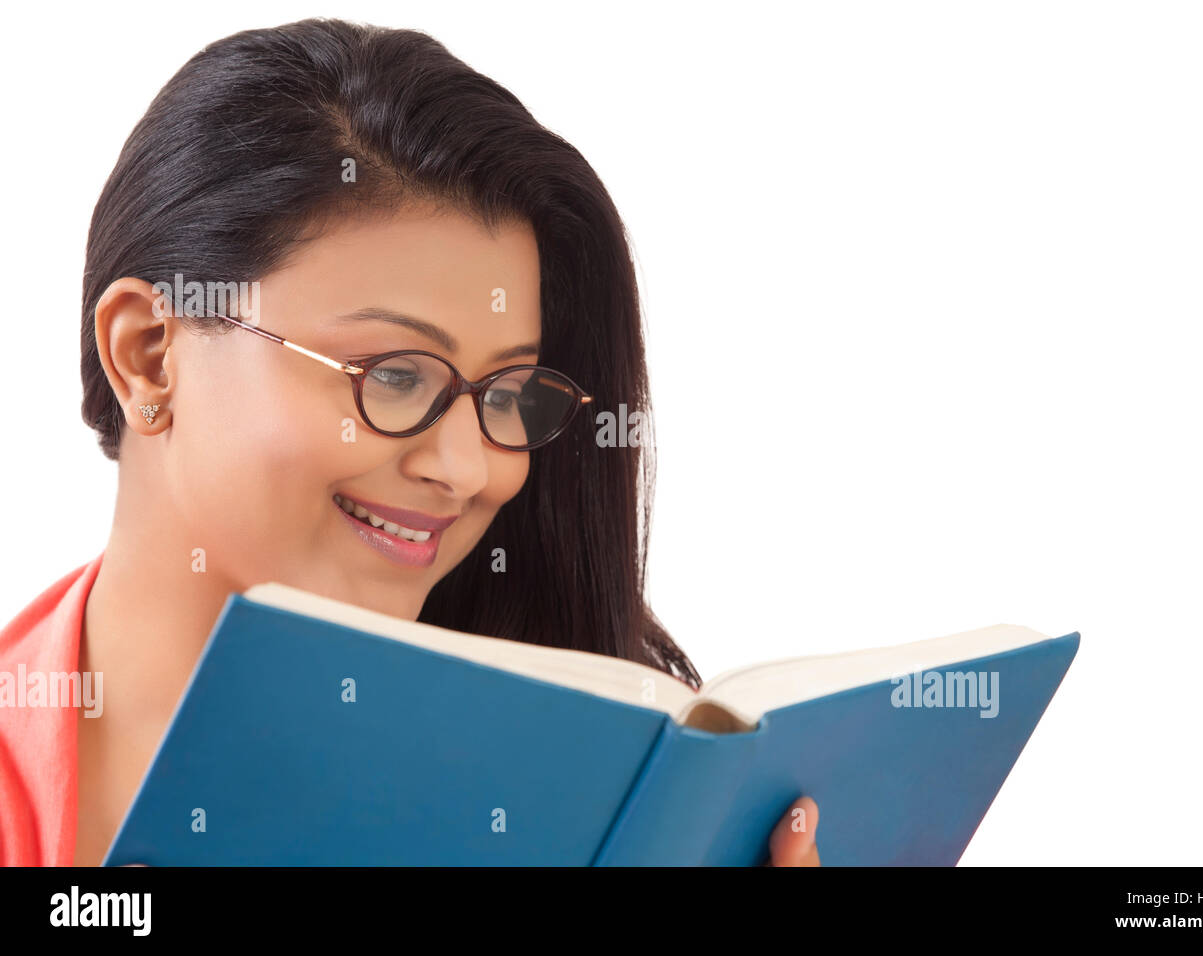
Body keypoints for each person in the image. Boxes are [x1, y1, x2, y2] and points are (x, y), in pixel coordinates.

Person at [0, 18, 820, 866]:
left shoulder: (583, 787)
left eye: (507, 393)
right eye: (395, 375)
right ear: (148, 357)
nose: (469, 471)